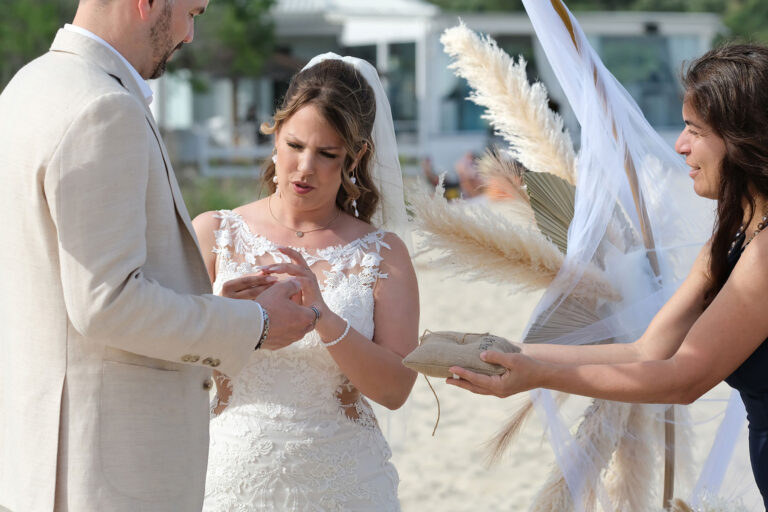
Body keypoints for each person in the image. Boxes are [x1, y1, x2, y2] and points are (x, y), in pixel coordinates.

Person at [0, 1, 314, 510]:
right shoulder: (102, 106)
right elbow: (106, 304)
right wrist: (252, 324)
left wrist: (217, 306)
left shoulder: (27, 87)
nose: (190, 35)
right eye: (193, 11)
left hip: (36, 462)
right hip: (106, 473)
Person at [446, 44, 768, 508]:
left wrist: (537, 375)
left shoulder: (764, 253)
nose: (680, 145)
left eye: (695, 131)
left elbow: (683, 380)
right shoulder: (736, 232)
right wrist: (505, 350)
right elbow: (647, 351)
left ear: (743, 139)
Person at [195, 54, 419, 511]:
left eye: (327, 154)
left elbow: (396, 390)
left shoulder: (383, 253)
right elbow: (168, 364)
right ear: (275, 136)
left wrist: (324, 317)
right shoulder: (214, 234)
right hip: (230, 479)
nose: (305, 167)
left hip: (346, 485)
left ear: (354, 158)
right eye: (295, 145)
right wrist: (222, 316)